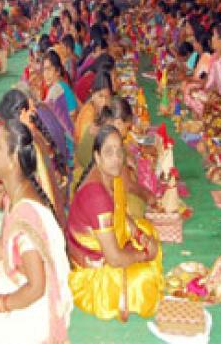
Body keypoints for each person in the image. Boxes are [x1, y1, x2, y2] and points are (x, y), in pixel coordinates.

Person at [0, 120, 72, 343]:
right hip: (27, 276)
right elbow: (4, 240)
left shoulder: (25, 217)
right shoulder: (16, 193)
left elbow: (37, 288)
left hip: (40, 301)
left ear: (13, 162)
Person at [67, 124, 163, 321]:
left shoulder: (111, 176)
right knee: (144, 280)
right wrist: (143, 254)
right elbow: (114, 259)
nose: (116, 158)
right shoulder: (96, 196)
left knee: (146, 229)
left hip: (107, 246)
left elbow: (120, 213)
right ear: (97, 157)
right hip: (92, 274)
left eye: (119, 151)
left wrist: (138, 236)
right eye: (109, 152)